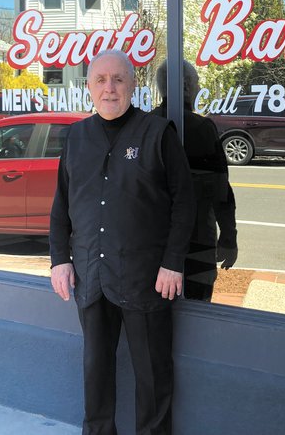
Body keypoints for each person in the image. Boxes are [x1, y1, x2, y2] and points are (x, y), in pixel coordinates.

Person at [49, 50, 196, 435]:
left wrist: (173, 262)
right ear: (89, 89)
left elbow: (185, 202)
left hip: (146, 277)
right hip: (91, 275)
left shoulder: (158, 133)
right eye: (100, 80)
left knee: (152, 374)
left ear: (133, 85)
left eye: (118, 79)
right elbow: (62, 203)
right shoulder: (76, 137)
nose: (109, 88)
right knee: (95, 368)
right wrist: (59, 259)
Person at [154, 60, 238, 301]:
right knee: (197, 309)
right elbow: (221, 190)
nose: (199, 87)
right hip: (198, 240)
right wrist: (229, 238)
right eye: (198, 82)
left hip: (153, 245)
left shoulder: (146, 125)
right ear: (188, 86)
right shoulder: (201, 128)